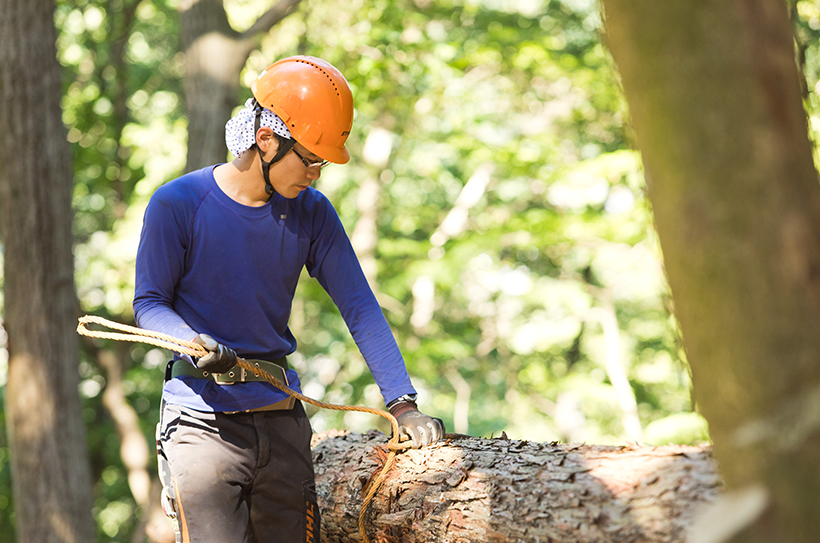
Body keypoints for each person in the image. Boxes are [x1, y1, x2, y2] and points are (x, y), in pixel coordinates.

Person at [133, 56, 445, 543]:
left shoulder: (312, 214)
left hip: (281, 423)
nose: (316, 175)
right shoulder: (177, 204)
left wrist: (403, 404)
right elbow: (150, 304)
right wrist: (194, 342)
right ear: (266, 140)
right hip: (201, 424)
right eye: (310, 159)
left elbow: (359, 307)